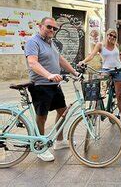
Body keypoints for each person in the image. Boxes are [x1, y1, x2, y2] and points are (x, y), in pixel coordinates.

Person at [24, 17, 79, 162]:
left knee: (63, 111)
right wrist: (49, 75)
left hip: (54, 85)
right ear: (40, 26)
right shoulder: (33, 42)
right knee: (42, 116)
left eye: (55, 28)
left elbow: (60, 59)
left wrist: (75, 72)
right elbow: (32, 63)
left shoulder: (51, 42)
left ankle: (59, 141)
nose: (52, 30)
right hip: (40, 85)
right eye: (49, 27)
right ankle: (40, 146)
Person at [78, 29, 121, 125]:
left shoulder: (116, 45)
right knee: (98, 91)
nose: (112, 37)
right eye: (110, 35)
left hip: (118, 70)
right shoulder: (100, 45)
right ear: (106, 35)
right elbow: (92, 55)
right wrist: (83, 61)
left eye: (114, 36)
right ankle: (97, 111)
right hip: (106, 71)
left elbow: (117, 60)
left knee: (119, 95)